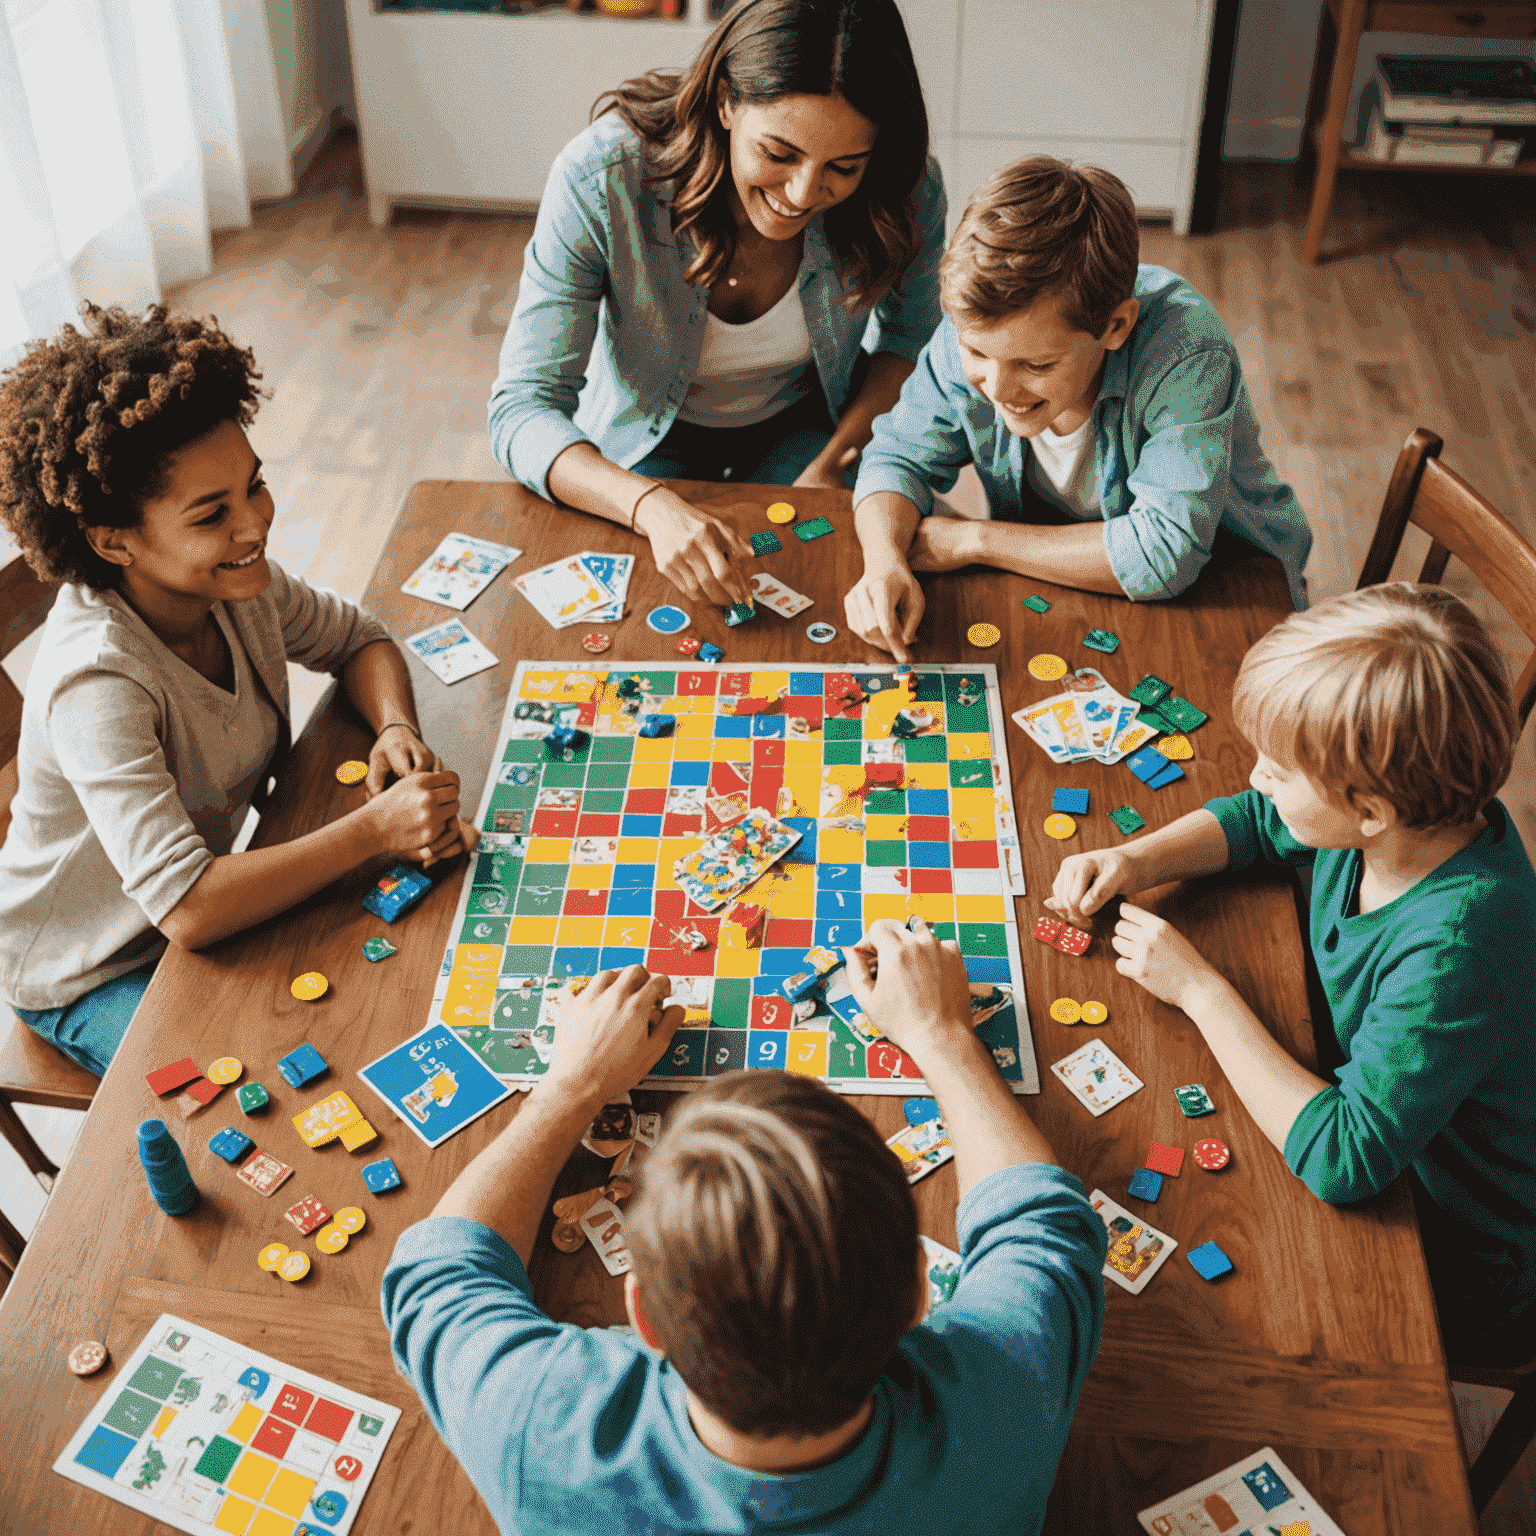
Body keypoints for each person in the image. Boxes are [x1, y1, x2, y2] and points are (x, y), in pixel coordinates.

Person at [382, 918, 1107, 1535]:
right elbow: (1040, 1222)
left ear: (646, 1317)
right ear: (921, 1292)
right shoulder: (1006, 1399)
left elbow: (439, 1271)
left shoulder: (538, 1428)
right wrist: (942, 1034)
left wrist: (568, 1088)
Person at [1050, 584, 1536, 1366]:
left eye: (1278, 768)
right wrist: (1135, 859)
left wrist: (1200, 990)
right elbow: (1259, 824)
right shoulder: (1403, 824)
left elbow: (1347, 1158)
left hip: (1451, 1248)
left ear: (1368, 809)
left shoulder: (1460, 945)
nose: (1256, 777)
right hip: (1367, 1110)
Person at [0, 304, 475, 1075]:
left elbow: (360, 638)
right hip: (93, 968)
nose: (254, 526)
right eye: (211, 513)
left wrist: (392, 727)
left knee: (379, 1001)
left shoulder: (236, 583)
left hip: (215, 891)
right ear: (114, 539)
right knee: (263, 1077)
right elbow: (189, 907)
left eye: (253, 487)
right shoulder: (96, 681)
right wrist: (374, 830)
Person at [488, 0, 946, 612]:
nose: (803, 194)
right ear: (727, 101)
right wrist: (649, 507)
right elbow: (522, 408)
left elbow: (910, 342)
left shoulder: (906, 185)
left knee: (863, 579)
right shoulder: (601, 175)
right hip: (643, 437)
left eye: (843, 167)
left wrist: (835, 460)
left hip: (811, 427)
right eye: (778, 154)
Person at [845, 156, 1312, 662]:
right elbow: (894, 456)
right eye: (977, 353)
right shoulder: (977, 327)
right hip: (1069, 579)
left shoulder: (1187, 349)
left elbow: (1164, 555)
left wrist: (975, 539)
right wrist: (883, 559)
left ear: (1115, 327)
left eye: (1037, 363)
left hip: (1232, 593)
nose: (997, 387)